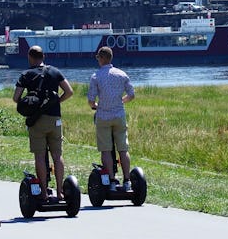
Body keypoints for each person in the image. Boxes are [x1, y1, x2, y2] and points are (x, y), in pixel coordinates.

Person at [13, 45, 74, 202]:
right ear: (43, 57)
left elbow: (16, 97)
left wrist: (30, 102)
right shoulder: (54, 71)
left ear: (30, 57)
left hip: (37, 120)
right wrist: (55, 102)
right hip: (55, 119)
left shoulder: (26, 74)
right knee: (57, 155)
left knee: (40, 156)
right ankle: (60, 192)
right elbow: (69, 92)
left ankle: (44, 193)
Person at [88, 46, 136, 191]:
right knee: (123, 148)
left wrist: (96, 106)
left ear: (102, 58)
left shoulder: (96, 76)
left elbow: (91, 99)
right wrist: (122, 101)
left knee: (106, 150)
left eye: (98, 58)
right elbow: (132, 94)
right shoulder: (122, 74)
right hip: (119, 115)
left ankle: (112, 180)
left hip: (103, 115)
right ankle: (127, 180)